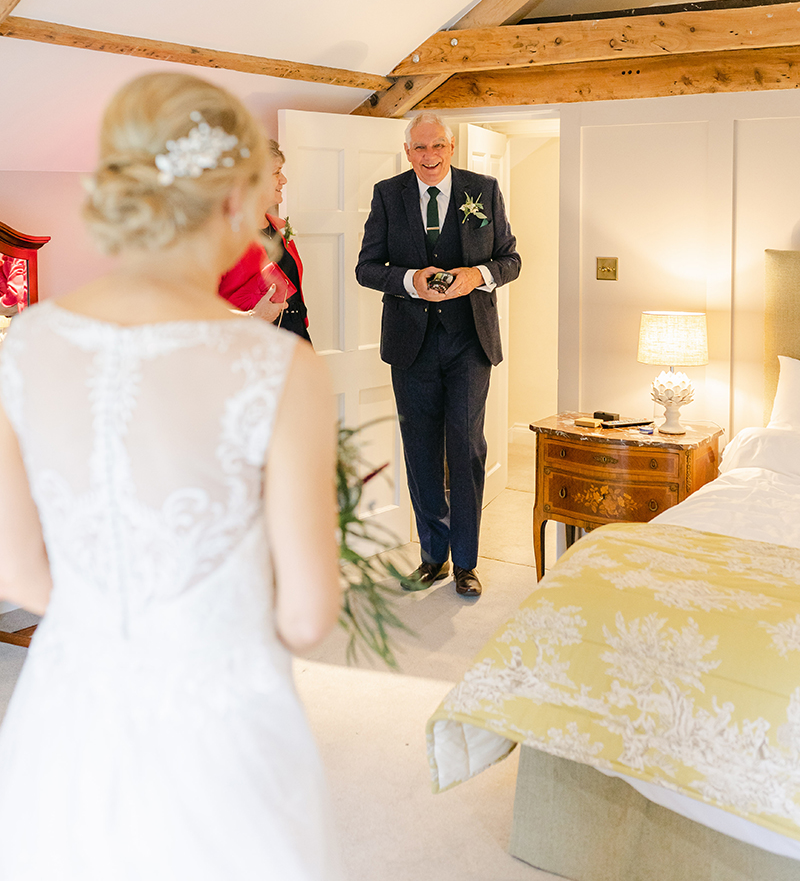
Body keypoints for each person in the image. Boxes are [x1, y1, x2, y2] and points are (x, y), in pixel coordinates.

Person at [0, 72, 342, 881]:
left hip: (69, 703)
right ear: (232, 199)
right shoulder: (276, 367)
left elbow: (17, 570)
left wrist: (113, 616)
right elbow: (306, 617)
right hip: (221, 720)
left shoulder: (24, 343)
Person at [356, 113, 521, 598]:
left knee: (467, 448)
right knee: (421, 449)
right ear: (407, 152)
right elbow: (367, 267)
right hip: (412, 345)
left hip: (470, 341)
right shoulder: (389, 194)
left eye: (438, 147)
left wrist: (478, 276)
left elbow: (511, 259)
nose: (429, 157)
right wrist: (410, 282)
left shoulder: (483, 189)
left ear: (452, 148)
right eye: (419, 149)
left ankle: (467, 561)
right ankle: (434, 556)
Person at [219, 140, 311, 341]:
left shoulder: (279, 227)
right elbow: (196, 306)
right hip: (249, 343)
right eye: (277, 172)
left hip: (294, 335)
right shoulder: (224, 235)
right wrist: (253, 317)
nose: (284, 180)